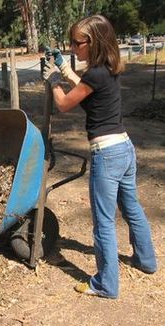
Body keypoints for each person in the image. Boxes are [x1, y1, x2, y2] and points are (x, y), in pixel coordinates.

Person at [42, 15, 157, 299]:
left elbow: (66, 103)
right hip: (124, 148)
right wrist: (64, 68)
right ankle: (146, 260)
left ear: (91, 42)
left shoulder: (94, 74)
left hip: (106, 154)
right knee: (132, 208)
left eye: (76, 43)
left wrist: (54, 80)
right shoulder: (107, 68)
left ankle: (106, 284)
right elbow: (89, 94)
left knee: (103, 222)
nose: (72, 47)